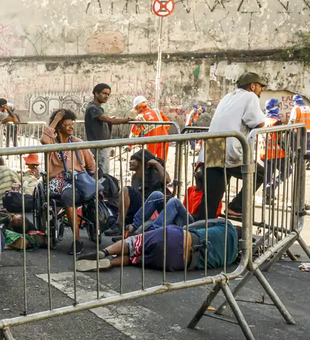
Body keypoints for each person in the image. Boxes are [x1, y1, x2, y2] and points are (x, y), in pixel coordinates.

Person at [196, 72, 267, 221]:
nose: (261, 90)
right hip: (229, 146)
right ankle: (235, 207)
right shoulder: (250, 96)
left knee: (211, 199)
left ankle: (197, 234)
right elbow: (259, 123)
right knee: (260, 173)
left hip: (213, 145)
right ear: (252, 86)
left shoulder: (228, 97)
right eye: (260, 87)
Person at [76, 219, 239, 275]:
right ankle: (111, 263)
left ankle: (105, 252)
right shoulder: (233, 258)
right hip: (179, 262)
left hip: (179, 238)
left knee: (134, 243)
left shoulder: (227, 226)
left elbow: (196, 225)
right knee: (135, 259)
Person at [42, 109, 97, 255]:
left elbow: (92, 166)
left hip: (78, 183)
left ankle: (78, 239)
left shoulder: (78, 143)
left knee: (70, 194)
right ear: (59, 127)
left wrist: (94, 185)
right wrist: (56, 119)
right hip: (57, 183)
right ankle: (77, 240)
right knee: (67, 195)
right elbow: (44, 140)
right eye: (67, 125)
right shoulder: (52, 143)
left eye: (72, 124)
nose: (71, 127)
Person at [106, 148, 170, 238]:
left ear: (141, 161)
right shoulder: (135, 177)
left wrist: (156, 164)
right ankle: (123, 227)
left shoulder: (153, 174)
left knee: (125, 189)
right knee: (110, 217)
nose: (130, 162)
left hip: (149, 209)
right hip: (138, 210)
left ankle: (120, 226)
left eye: (133, 159)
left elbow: (167, 180)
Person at [85, 83, 130, 174]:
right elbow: (109, 120)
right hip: (99, 146)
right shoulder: (92, 108)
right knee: (102, 173)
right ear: (96, 93)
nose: (106, 96)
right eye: (104, 93)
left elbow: (107, 121)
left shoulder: (97, 108)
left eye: (108, 94)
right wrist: (127, 120)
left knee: (101, 171)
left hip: (102, 145)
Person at [130, 95, 171, 160]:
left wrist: (129, 146)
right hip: (164, 139)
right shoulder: (157, 111)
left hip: (152, 141)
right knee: (162, 162)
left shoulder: (139, 118)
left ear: (137, 107)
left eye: (136, 109)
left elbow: (134, 134)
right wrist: (162, 132)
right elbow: (168, 123)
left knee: (149, 161)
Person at [260, 98, 287, 197]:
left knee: (267, 176)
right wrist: (288, 151)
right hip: (277, 153)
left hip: (263, 152)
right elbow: (281, 140)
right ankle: (273, 185)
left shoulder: (262, 120)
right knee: (288, 170)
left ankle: (267, 198)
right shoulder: (276, 122)